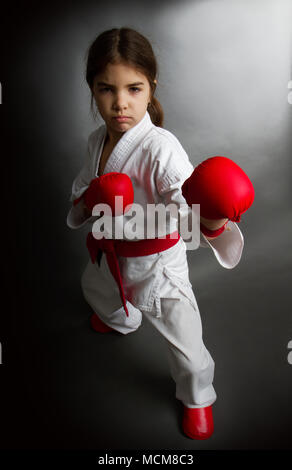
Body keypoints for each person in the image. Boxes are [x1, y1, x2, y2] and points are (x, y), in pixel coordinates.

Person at [66, 27, 244, 440]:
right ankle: (119, 320)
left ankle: (198, 399)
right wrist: (93, 196)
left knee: (186, 345)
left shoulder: (162, 148)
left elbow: (186, 215)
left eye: (133, 88)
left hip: (159, 265)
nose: (120, 102)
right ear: (92, 89)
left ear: (151, 88)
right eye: (106, 89)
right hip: (110, 256)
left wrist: (212, 219)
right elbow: (80, 195)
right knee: (97, 291)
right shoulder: (96, 141)